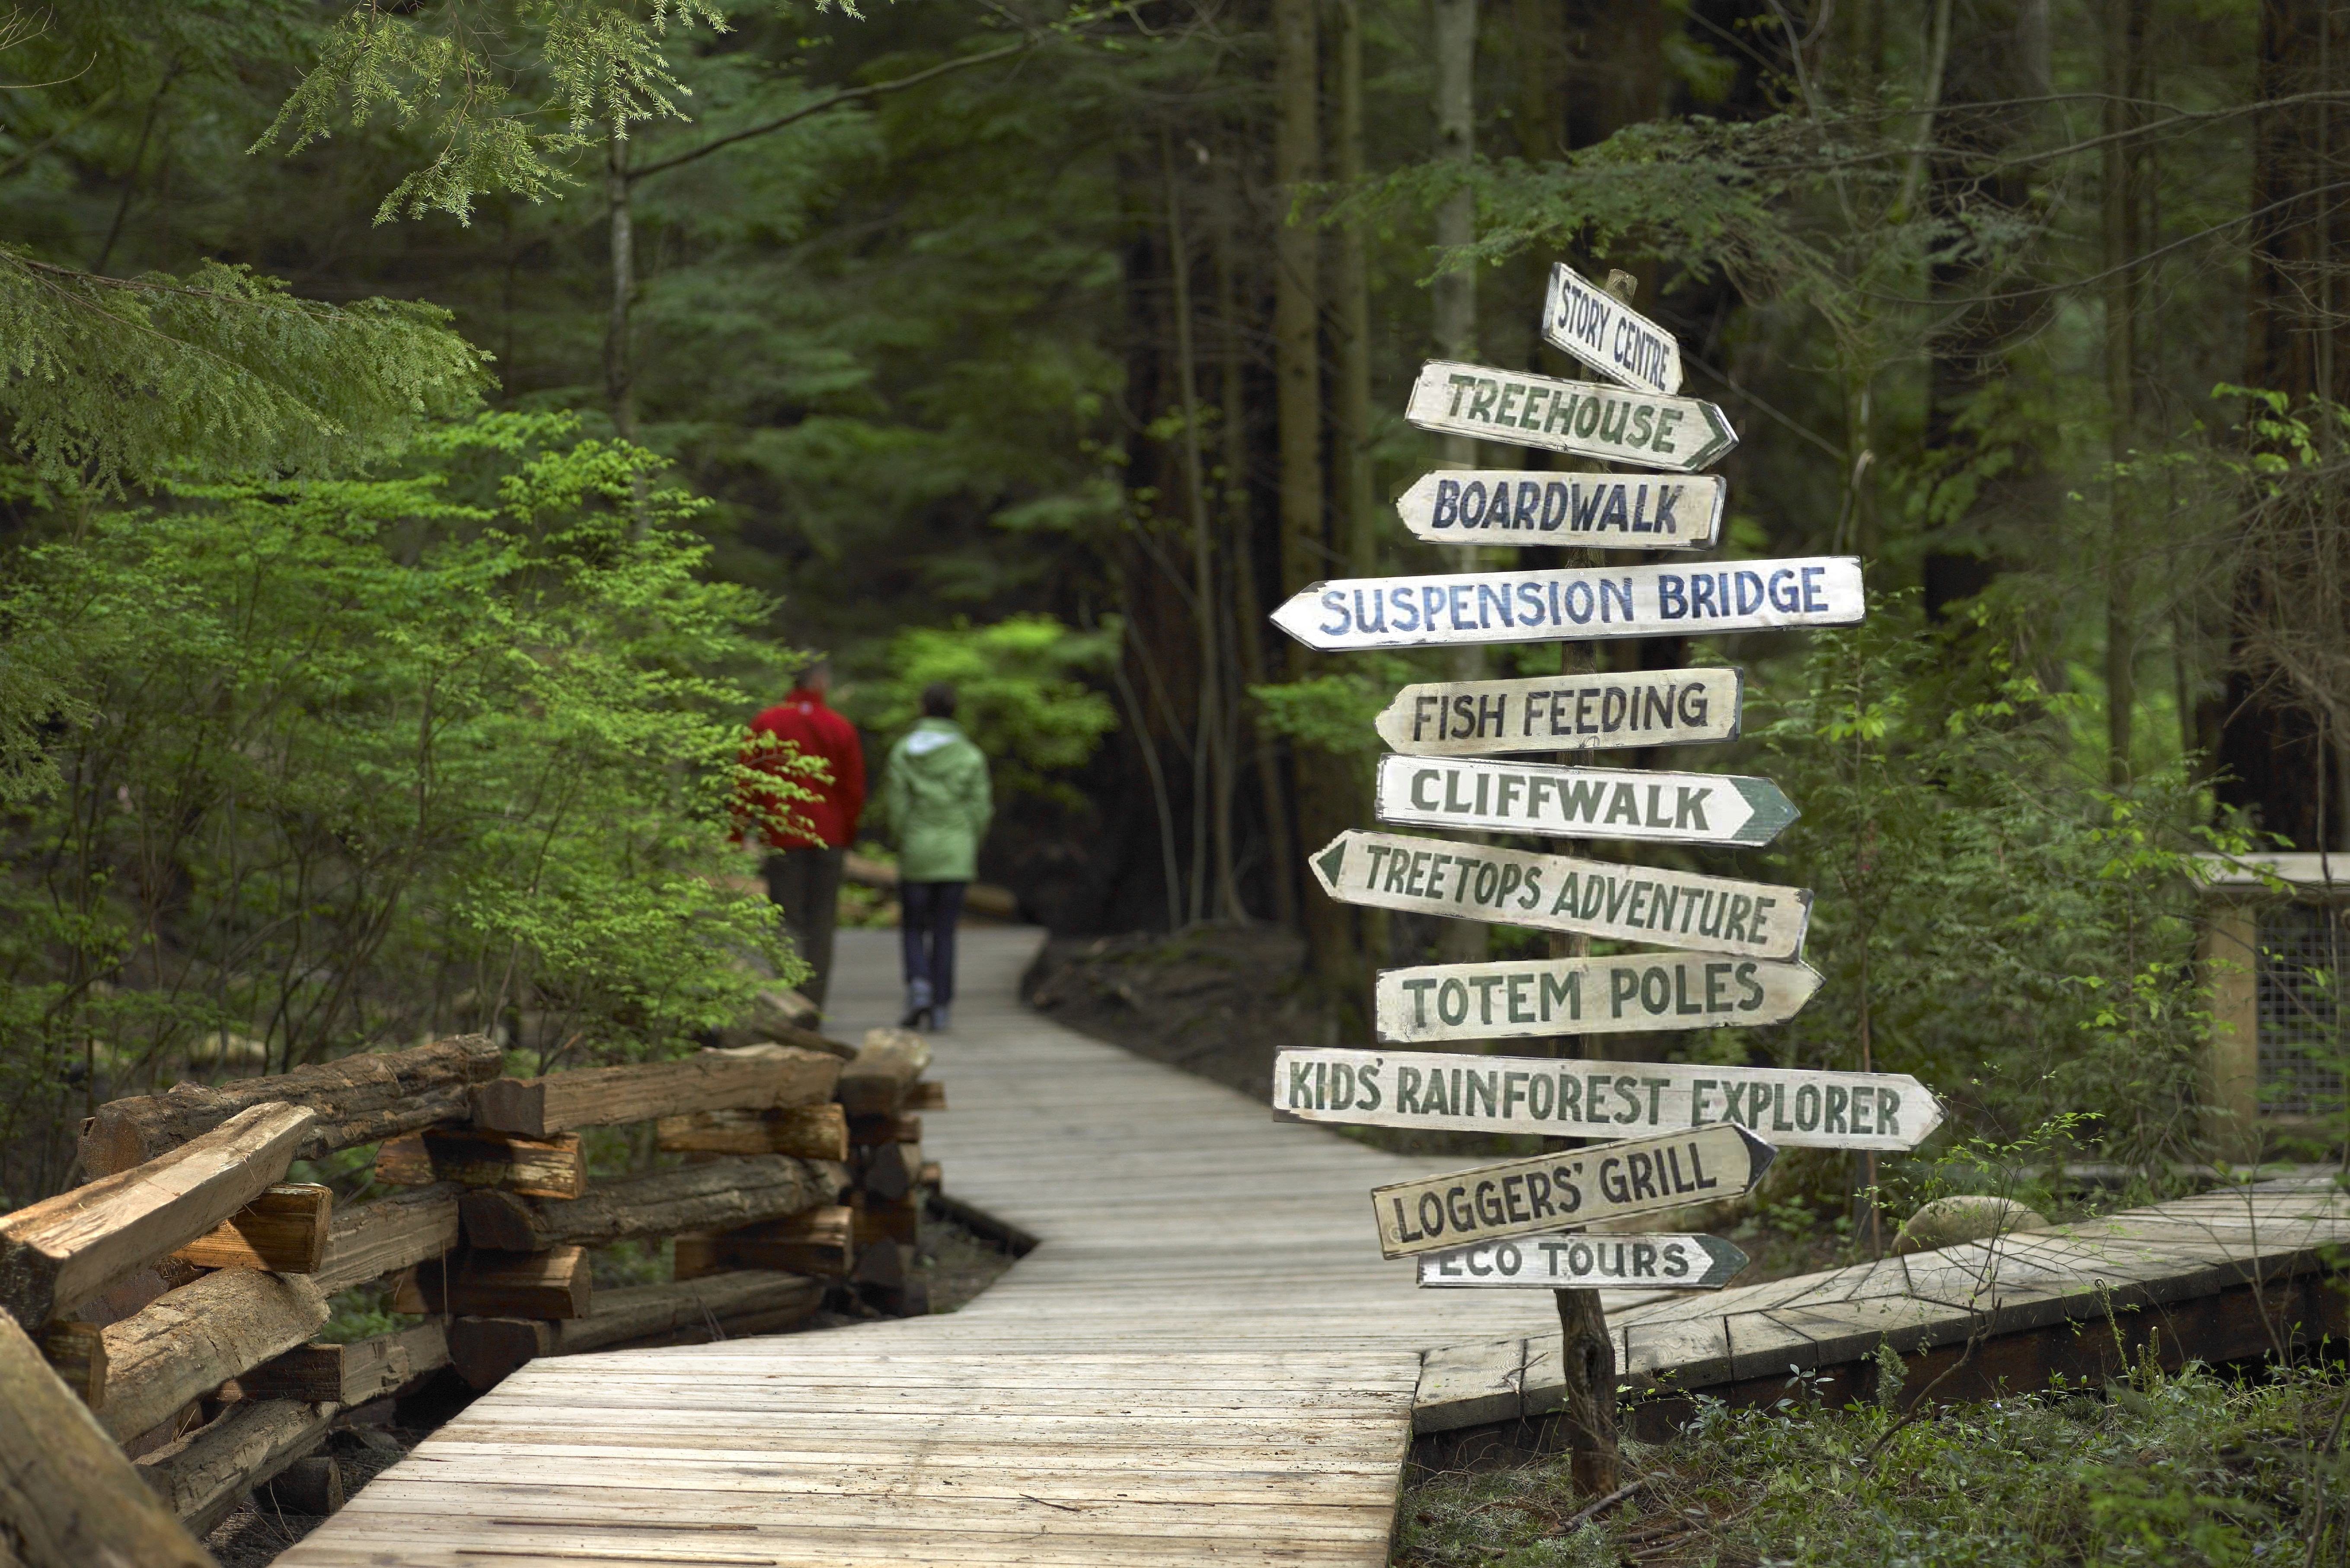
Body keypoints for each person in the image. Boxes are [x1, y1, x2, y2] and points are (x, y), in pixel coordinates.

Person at [743, 659, 865, 1013]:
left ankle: (790, 1004)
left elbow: (747, 780)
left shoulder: (767, 722)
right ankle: (814, 1004)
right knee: (821, 923)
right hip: (829, 838)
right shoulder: (840, 727)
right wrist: (847, 833)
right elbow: (853, 789)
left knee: (787, 919)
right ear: (821, 681)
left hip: (783, 837)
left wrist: (738, 832)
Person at [881, 682, 993, 1032]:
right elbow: (981, 809)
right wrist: (969, 840)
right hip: (956, 852)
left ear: (923, 708)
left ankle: (918, 985)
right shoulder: (970, 755)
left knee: (913, 925)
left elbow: (897, 807)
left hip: (917, 850)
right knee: (945, 930)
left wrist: (903, 838)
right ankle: (941, 1005)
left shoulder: (903, 752)